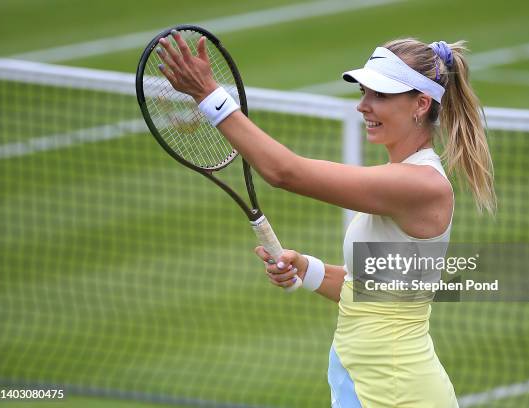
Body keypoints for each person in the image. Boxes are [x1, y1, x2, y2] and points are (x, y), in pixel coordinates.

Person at [157, 31, 495, 407]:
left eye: (380, 95)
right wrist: (308, 269)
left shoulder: (420, 185)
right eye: (363, 92)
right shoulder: (405, 179)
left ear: (420, 104)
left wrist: (209, 95)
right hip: (364, 387)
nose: (363, 106)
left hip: (397, 394)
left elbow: (286, 172)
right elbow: (371, 293)